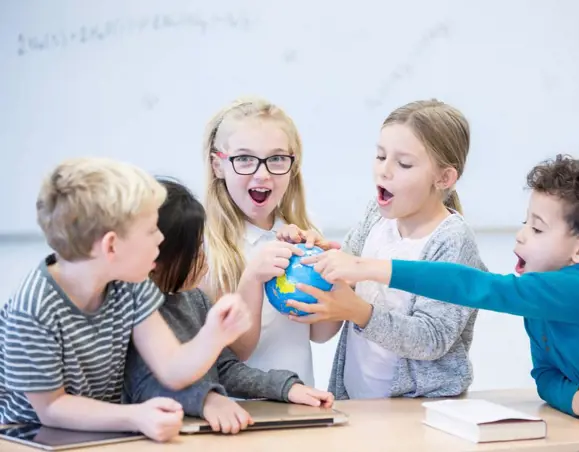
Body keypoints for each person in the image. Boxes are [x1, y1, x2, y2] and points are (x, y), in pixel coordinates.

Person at [303, 155, 579, 447]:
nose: (520, 236)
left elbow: (479, 286)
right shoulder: (542, 304)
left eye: (537, 228)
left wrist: (370, 267)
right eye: (525, 222)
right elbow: (546, 377)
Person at [0, 158, 250, 442]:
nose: (160, 239)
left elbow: (171, 368)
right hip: (29, 438)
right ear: (111, 245)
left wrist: (213, 335)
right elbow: (53, 409)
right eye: (150, 230)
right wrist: (135, 416)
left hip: (102, 431)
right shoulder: (32, 310)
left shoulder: (131, 285)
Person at [282, 99, 486, 399]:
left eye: (403, 164)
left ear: (444, 178)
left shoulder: (452, 241)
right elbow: (347, 272)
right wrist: (315, 255)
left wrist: (359, 312)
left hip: (418, 412)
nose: (384, 171)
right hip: (357, 401)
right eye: (380, 156)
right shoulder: (376, 217)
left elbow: (433, 338)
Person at [124, 178, 334, 434]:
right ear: (158, 257)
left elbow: (224, 368)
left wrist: (285, 387)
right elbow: (144, 383)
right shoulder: (134, 311)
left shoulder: (195, 300)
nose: (204, 257)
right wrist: (207, 400)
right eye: (194, 251)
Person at [202, 97, 339, 386]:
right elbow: (236, 352)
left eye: (276, 159)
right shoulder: (205, 246)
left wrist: (332, 274)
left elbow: (321, 334)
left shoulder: (305, 228)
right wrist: (252, 277)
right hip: (236, 413)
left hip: (299, 405)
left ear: (293, 165)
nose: (262, 173)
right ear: (218, 165)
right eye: (244, 159)